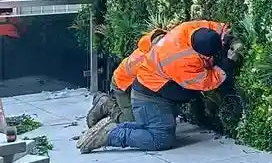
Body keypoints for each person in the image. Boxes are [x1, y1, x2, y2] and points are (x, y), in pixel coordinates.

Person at [78, 20, 233, 153]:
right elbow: (208, 81)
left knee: (144, 124)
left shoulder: (188, 28)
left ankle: (114, 126)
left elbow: (221, 27)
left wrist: (230, 37)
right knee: (159, 138)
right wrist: (227, 64)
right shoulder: (179, 61)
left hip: (147, 85)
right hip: (132, 86)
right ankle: (111, 131)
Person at [86, 28, 168, 127]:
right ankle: (107, 105)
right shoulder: (147, 61)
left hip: (131, 83)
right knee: (134, 121)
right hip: (122, 85)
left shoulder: (152, 48)